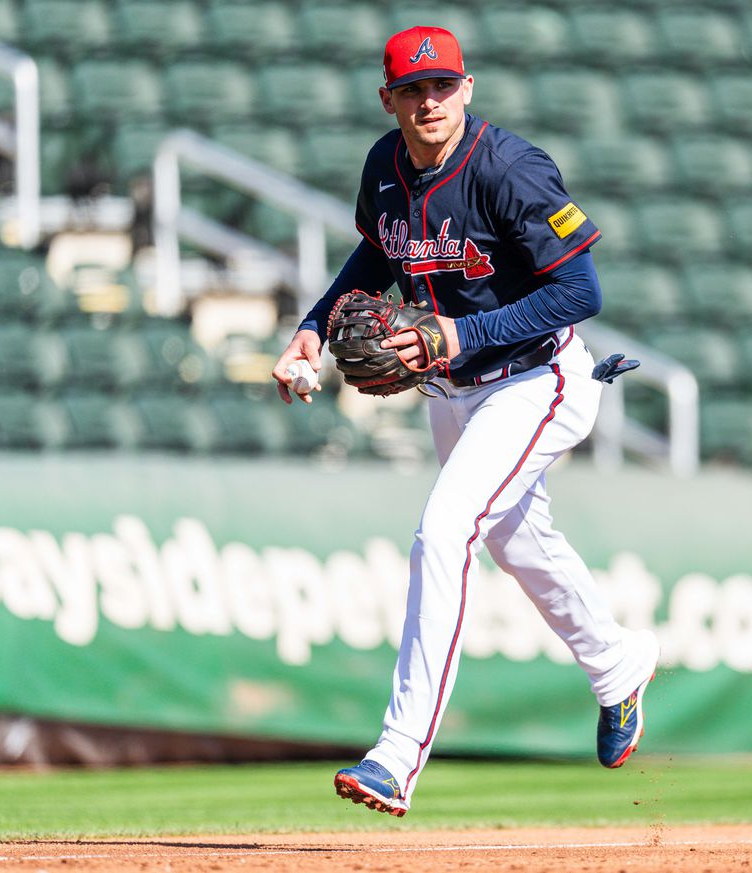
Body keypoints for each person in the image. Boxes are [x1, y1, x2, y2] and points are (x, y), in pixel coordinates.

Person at [271, 25, 659, 817]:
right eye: (412, 89)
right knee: (520, 541)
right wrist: (314, 322)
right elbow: (377, 258)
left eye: (441, 85)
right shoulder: (385, 167)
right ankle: (618, 665)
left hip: (538, 378)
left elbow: (582, 293)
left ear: (467, 88)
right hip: (452, 390)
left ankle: (397, 754)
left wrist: (461, 333)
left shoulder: (510, 169)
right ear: (389, 100)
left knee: (444, 529)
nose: (428, 101)